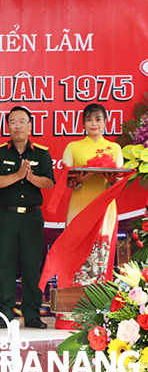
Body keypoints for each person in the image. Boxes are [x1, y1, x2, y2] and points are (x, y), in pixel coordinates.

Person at [55, 103, 122, 329]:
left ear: (106, 122)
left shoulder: (114, 148)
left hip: (104, 208)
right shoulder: (73, 146)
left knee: (100, 259)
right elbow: (66, 178)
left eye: (99, 119)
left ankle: (98, 314)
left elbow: (118, 181)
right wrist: (79, 179)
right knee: (77, 257)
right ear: (83, 123)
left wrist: (111, 179)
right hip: (80, 207)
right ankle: (71, 316)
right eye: (90, 120)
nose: (94, 124)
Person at [0, 106, 54, 329]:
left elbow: (49, 182)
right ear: (8, 126)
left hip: (32, 216)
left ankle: (32, 313)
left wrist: (30, 177)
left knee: (31, 266)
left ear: (30, 125)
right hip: (6, 215)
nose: (18, 126)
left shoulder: (41, 153)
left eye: (22, 121)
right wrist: (17, 176)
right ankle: (5, 314)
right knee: (4, 266)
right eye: (13, 122)